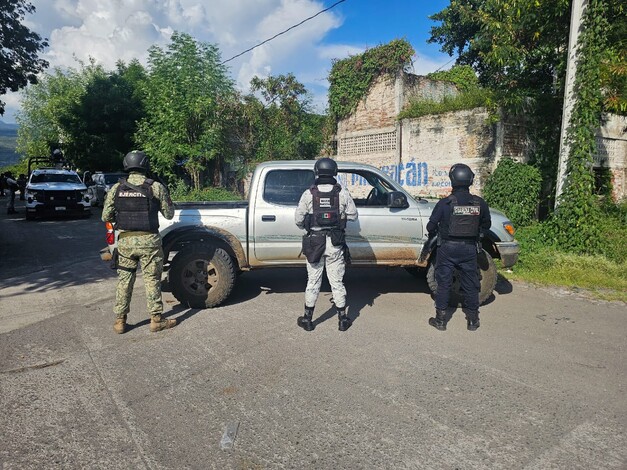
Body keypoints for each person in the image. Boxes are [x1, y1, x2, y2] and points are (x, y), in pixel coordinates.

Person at [101, 150, 176, 334]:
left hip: (126, 243)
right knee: (151, 279)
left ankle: (120, 322)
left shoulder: (116, 189)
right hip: (150, 242)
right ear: (145, 165)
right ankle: (156, 320)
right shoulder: (155, 187)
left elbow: (105, 216)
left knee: (124, 280)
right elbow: (169, 214)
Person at [295, 158, 358, 332]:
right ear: (334, 172)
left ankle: (307, 320)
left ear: (317, 171)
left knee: (313, 281)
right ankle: (342, 320)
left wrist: (309, 225)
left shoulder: (309, 194)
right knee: (337, 281)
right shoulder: (342, 192)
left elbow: (298, 220)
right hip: (335, 243)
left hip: (314, 242)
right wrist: (340, 216)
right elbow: (353, 215)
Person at [426, 163, 491, 332]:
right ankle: (473, 321)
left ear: (452, 180)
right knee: (471, 284)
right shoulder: (480, 203)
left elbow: (430, 227)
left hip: (447, 249)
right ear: (470, 180)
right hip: (469, 249)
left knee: (444, 284)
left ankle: (440, 321)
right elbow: (487, 225)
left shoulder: (445, 204)